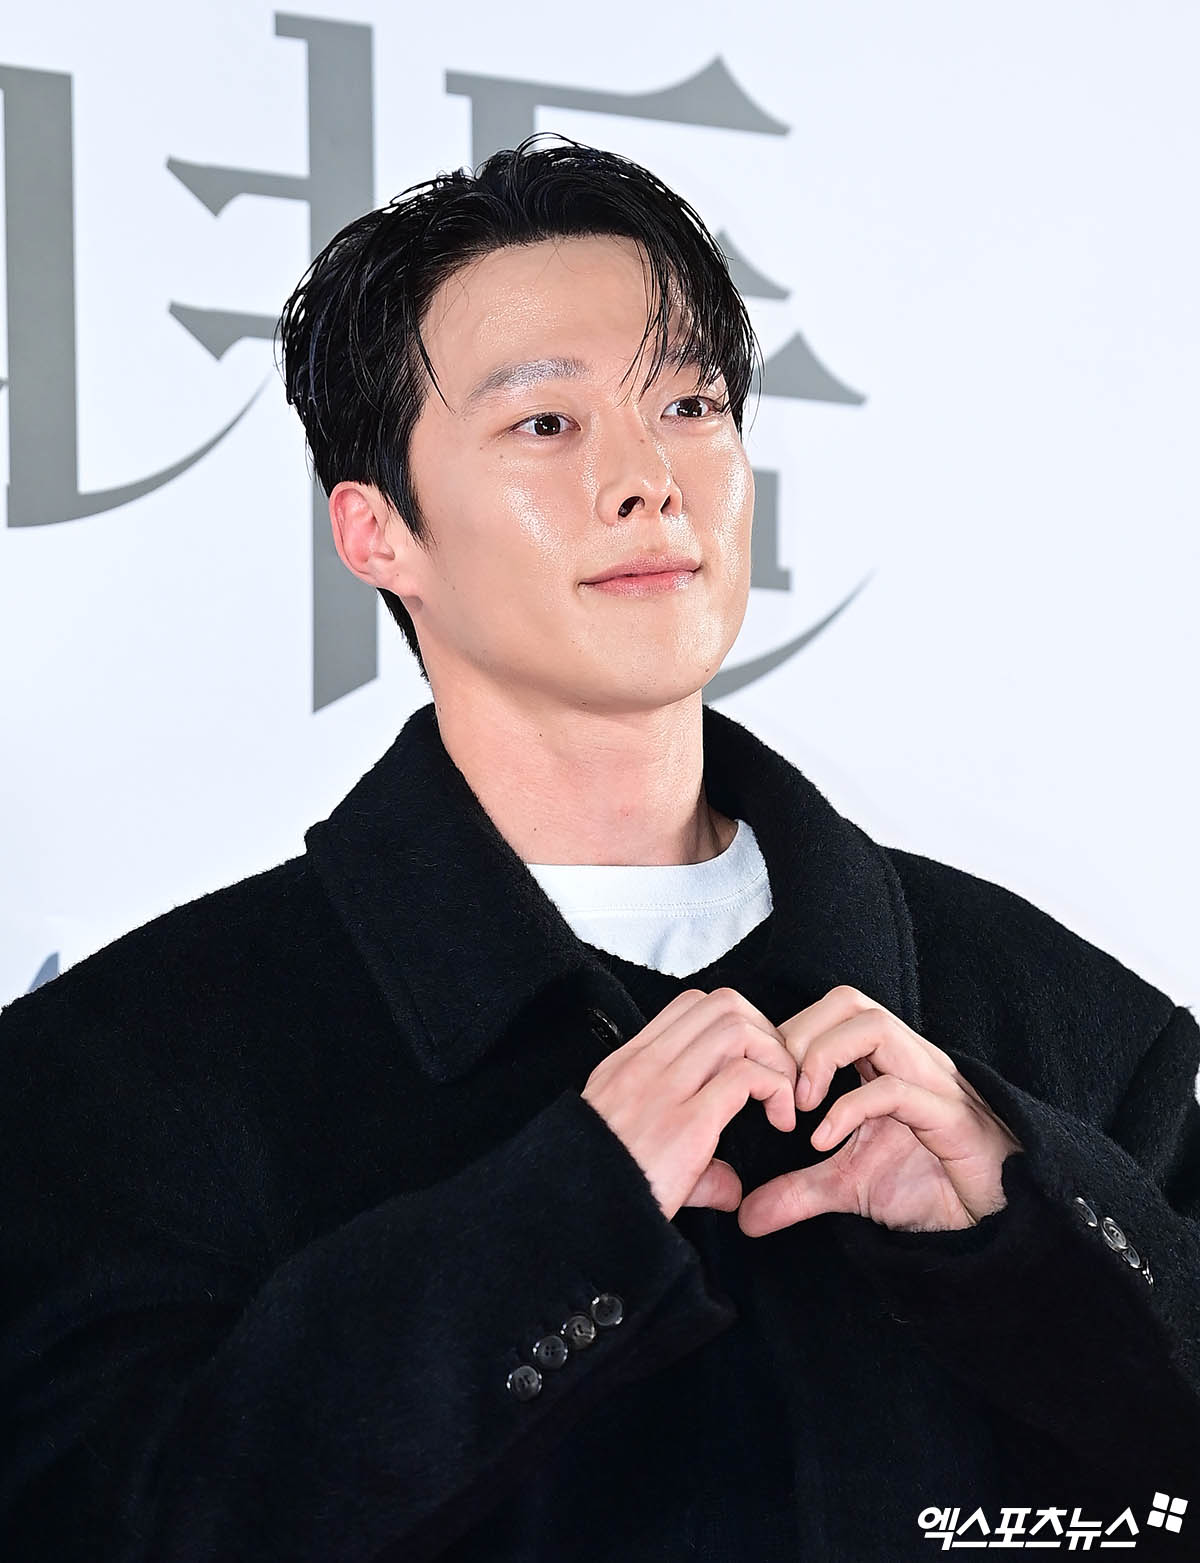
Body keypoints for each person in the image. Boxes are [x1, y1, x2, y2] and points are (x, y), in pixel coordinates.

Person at [1, 133, 1197, 1563]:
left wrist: (1037, 1233)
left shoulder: (1064, 1027)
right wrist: (552, 1230)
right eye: (546, 424)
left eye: (689, 405)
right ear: (376, 533)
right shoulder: (123, 1072)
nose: (647, 480)